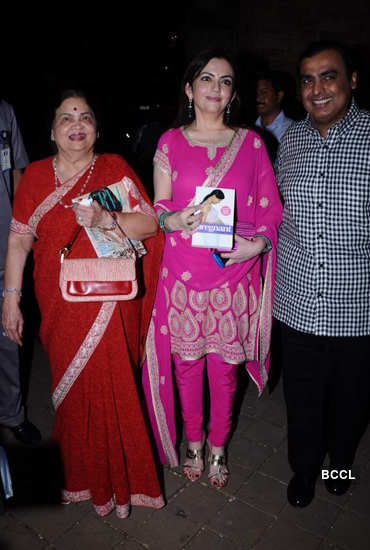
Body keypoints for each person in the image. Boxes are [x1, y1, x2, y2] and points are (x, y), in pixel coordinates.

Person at [2, 90, 164, 518]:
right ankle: (83, 479)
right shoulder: (34, 176)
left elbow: (150, 224)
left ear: (97, 128)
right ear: (52, 130)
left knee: (114, 388)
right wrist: (10, 300)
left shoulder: (113, 169)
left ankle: (122, 486)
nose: (77, 124)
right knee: (73, 394)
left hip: (111, 299)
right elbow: (18, 241)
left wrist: (106, 218)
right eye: (66, 117)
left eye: (86, 116)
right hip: (59, 303)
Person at [142, 50, 282, 488]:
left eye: (224, 81)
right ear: (189, 88)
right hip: (183, 272)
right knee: (186, 363)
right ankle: (193, 443)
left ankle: (218, 448)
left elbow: (270, 208)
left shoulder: (252, 144)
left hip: (233, 272)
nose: (215, 88)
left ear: (233, 93)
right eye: (206, 78)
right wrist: (171, 219)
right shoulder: (169, 142)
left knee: (224, 367)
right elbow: (160, 204)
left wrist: (256, 245)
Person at [273, 41, 370, 507]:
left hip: (363, 306)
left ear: (352, 81)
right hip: (299, 301)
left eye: (329, 76)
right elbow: (274, 214)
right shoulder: (290, 141)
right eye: (307, 79)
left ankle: (339, 463)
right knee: (302, 401)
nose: (317, 89)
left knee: (351, 402)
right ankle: (304, 471)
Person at [0, 98, 41, 446]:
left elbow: (17, 171)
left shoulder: (5, 111)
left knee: (8, 336)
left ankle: (12, 414)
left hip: (3, 242)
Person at [255, 71, 294, 143]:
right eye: (256, 93)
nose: (258, 98)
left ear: (279, 96)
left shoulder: (292, 131)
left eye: (264, 92)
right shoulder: (249, 130)